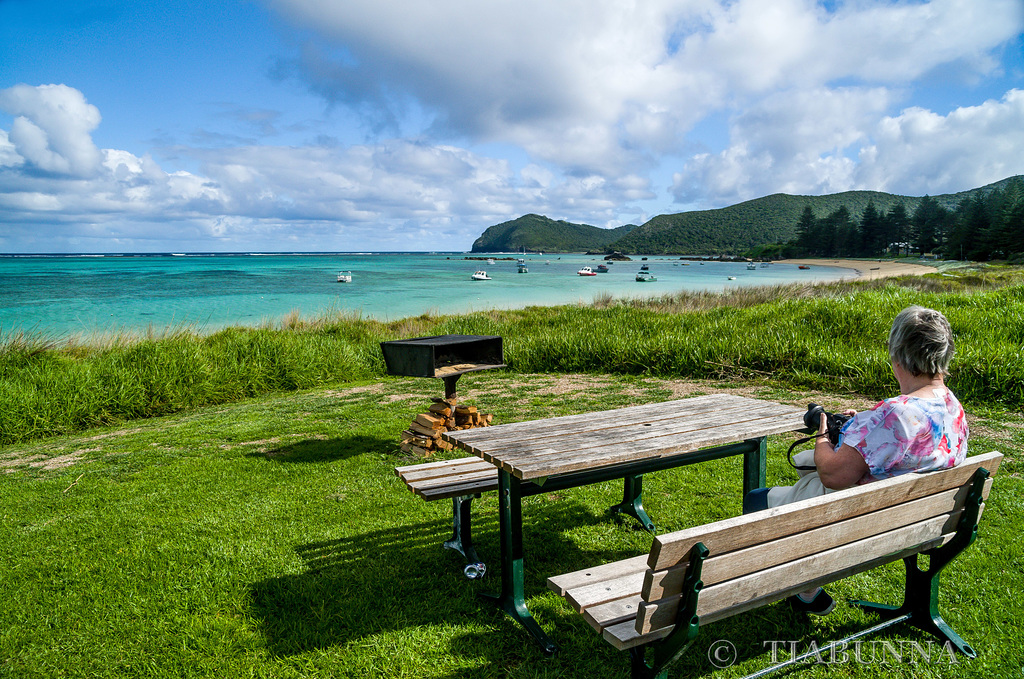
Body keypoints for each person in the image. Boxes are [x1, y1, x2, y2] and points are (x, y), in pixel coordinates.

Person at [744, 305, 969, 615]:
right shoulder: (952, 405)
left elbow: (833, 475)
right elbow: (906, 446)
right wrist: (864, 422)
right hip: (920, 523)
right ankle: (806, 591)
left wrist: (824, 433)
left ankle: (789, 588)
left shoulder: (893, 414)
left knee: (756, 501)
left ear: (897, 354)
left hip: (859, 528)